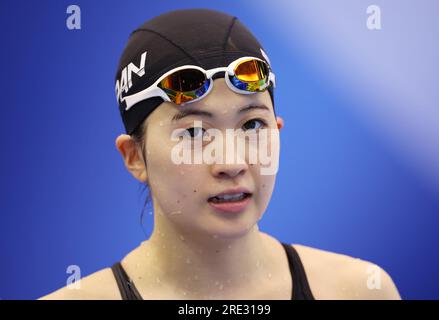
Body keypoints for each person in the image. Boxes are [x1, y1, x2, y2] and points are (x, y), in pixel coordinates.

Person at [40, 8, 401, 300]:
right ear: (134, 156)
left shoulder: (359, 291)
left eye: (252, 126)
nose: (232, 163)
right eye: (195, 132)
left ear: (277, 131)